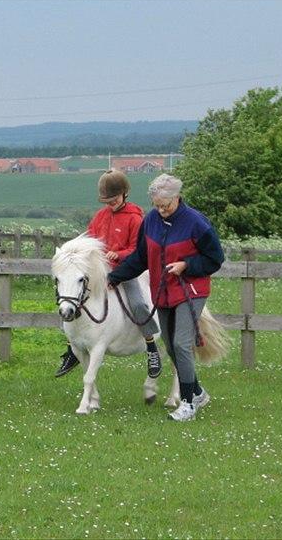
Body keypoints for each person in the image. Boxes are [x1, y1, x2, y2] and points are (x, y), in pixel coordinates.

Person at [107, 173, 225, 421]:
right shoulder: (150, 220)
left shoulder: (196, 223)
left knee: (182, 343)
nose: (161, 210)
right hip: (162, 291)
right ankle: (198, 392)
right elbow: (140, 257)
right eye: (157, 205)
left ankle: (188, 405)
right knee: (170, 346)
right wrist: (115, 277)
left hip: (190, 290)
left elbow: (215, 258)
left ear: (177, 198)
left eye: (166, 205)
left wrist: (187, 265)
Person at [56, 169, 162, 379]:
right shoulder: (100, 217)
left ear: (124, 193)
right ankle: (72, 349)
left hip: (126, 270)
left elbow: (137, 250)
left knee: (139, 303)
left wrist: (119, 254)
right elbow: (88, 242)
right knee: (72, 299)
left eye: (114, 199)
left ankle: (151, 348)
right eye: (107, 200)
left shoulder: (135, 218)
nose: (110, 203)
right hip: (100, 273)